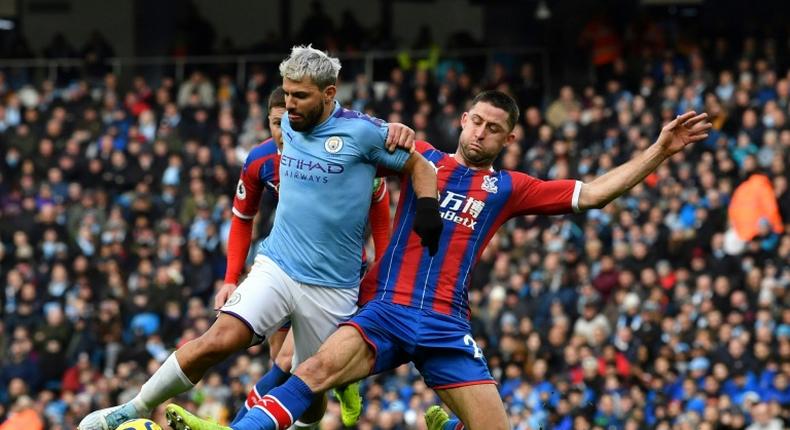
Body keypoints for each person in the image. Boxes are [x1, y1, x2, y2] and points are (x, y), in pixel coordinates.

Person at [165, 90, 711, 430]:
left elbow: (592, 193)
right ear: (463, 119)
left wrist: (658, 151)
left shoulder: (508, 187)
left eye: (493, 127)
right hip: (386, 309)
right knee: (306, 370)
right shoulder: (416, 155)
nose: (480, 132)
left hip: (448, 324)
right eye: (475, 120)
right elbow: (347, 139)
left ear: (508, 138)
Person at [78, 45, 442, 430]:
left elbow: (422, 166)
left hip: (333, 286)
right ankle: (133, 408)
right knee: (219, 339)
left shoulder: (363, 134)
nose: (290, 106)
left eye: (300, 96)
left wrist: (427, 208)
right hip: (277, 265)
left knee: (310, 395)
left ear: (330, 93)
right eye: (286, 94)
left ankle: (321, 396)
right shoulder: (285, 129)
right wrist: (232, 276)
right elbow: (243, 216)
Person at [219, 86, 394, 427]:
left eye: (287, 119)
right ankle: (334, 390)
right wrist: (230, 277)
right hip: (284, 263)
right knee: (286, 363)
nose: (282, 129)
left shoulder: (345, 152)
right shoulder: (261, 160)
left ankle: (237, 424)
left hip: (335, 270)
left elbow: (380, 215)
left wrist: (381, 269)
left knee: (289, 363)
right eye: (274, 122)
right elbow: (242, 219)